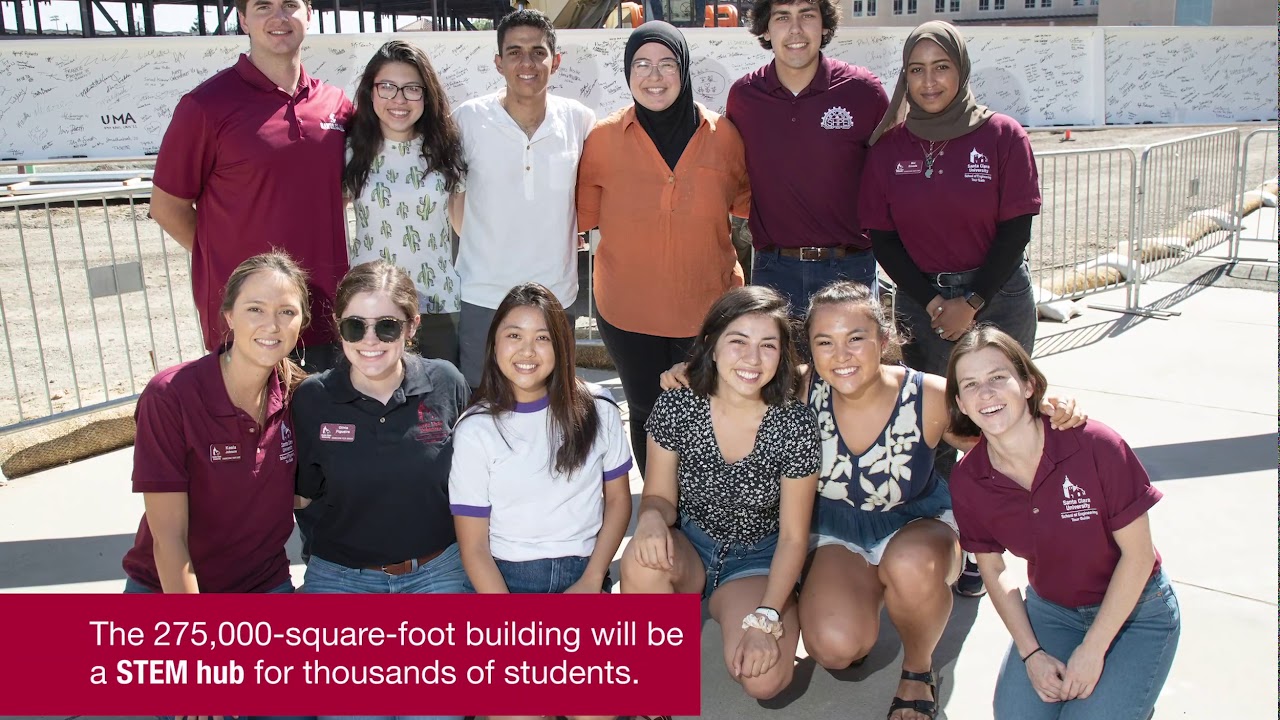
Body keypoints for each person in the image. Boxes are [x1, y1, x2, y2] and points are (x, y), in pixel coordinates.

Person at [656, 281, 1083, 719]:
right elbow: (739, 376)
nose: (841, 356)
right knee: (836, 647)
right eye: (825, 342)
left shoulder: (928, 396)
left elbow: (999, 428)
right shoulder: (801, 389)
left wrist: (1048, 406)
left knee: (909, 564)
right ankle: (861, 602)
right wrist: (687, 372)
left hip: (918, 528)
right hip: (838, 536)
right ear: (810, 350)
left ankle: (918, 669)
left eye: (855, 339)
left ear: (884, 339)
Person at [861, 21, 1042, 596]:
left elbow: (1016, 229)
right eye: (917, 69)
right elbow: (882, 237)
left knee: (1002, 424)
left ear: (961, 71)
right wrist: (936, 300)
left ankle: (1021, 539)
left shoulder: (1003, 137)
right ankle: (956, 540)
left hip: (999, 300)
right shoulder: (890, 148)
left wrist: (973, 301)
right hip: (923, 305)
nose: (929, 80)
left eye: (941, 67)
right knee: (937, 433)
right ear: (904, 78)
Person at [946, 325, 1179, 720]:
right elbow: (993, 569)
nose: (986, 393)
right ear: (961, 404)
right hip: (1052, 612)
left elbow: (1138, 557)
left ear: (1029, 385)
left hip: (1137, 611)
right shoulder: (970, 480)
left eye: (998, 377)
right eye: (971, 384)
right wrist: (1031, 652)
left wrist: (1094, 649)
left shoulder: (1094, 444)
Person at [621, 286, 820, 701]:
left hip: (756, 559)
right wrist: (653, 519)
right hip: (692, 546)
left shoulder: (795, 423)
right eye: (738, 341)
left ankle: (781, 604)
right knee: (642, 561)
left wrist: (766, 617)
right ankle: (655, 688)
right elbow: (658, 497)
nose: (752, 358)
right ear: (711, 347)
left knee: (764, 681)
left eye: (768, 345)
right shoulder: (678, 405)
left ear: (782, 356)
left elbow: (793, 536)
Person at [576, 21, 750, 475]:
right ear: (628, 73)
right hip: (628, 314)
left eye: (667, 64)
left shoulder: (724, 136)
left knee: (708, 414)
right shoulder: (603, 139)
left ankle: (702, 516)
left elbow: (745, 209)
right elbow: (584, 219)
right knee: (649, 413)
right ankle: (660, 512)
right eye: (642, 65)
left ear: (684, 68)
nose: (655, 77)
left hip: (708, 311)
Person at [149, 0, 351, 374]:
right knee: (252, 429)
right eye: (263, 7)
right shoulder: (205, 106)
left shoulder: (336, 105)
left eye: (290, 5)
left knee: (320, 430)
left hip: (323, 313)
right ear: (243, 19)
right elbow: (167, 207)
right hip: (248, 319)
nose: (278, 17)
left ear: (309, 15)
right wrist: (224, 256)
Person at [122, 252, 310, 594]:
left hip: (265, 584)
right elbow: (169, 541)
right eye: (255, 309)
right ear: (229, 316)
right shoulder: (170, 396)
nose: (272, 325)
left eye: (287, 312)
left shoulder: (302, 396)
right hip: (168, 588)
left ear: (302, 323)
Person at [291, 261, 469, 598]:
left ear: (412, 326)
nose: (370, 340)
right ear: (338, 326)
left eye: (387, 327)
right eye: (355, 327)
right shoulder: (313, 399)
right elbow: (301, 497)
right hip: (340, 577)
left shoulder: (446, 383)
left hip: (438, 572)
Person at [449, 282, 632, 603]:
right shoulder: (475, 429)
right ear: (494, 343)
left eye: (543, 338)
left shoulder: (600, 409)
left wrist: (591, 580)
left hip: (585, 572)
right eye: (514, 335)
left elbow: (618, 501)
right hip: (503, 579)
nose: (527, 350)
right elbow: (474, 545)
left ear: (561, 345)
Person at [451, 9, 596, 390]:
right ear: (499, 63)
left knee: (552, 411)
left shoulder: (580, 121)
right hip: (483, 295)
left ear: (556, 60)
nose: (527, 63)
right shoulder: (468, 119)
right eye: (514, 52)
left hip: (555, 296)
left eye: (538, 52)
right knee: (482, 406)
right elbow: (454, 201)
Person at [726, 0, 889, 316]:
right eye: (783, 17)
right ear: (766, 28)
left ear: (825, 25)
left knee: (846, 367)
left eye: (807, 15)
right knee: (779, 367)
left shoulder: (862, 90)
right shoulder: (745, 97)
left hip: (850, 268)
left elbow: (889, 178)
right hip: (774, 270)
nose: (795, 29)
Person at [344, 41, 468, 366]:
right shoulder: (349, 152)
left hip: (438, 305)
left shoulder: (449, 151)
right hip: (371, 305)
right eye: (387, 87)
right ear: (371, 93)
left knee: (436, 409)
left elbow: (465, 227)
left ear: (426, 95)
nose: (399, 99)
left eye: (412, 89)